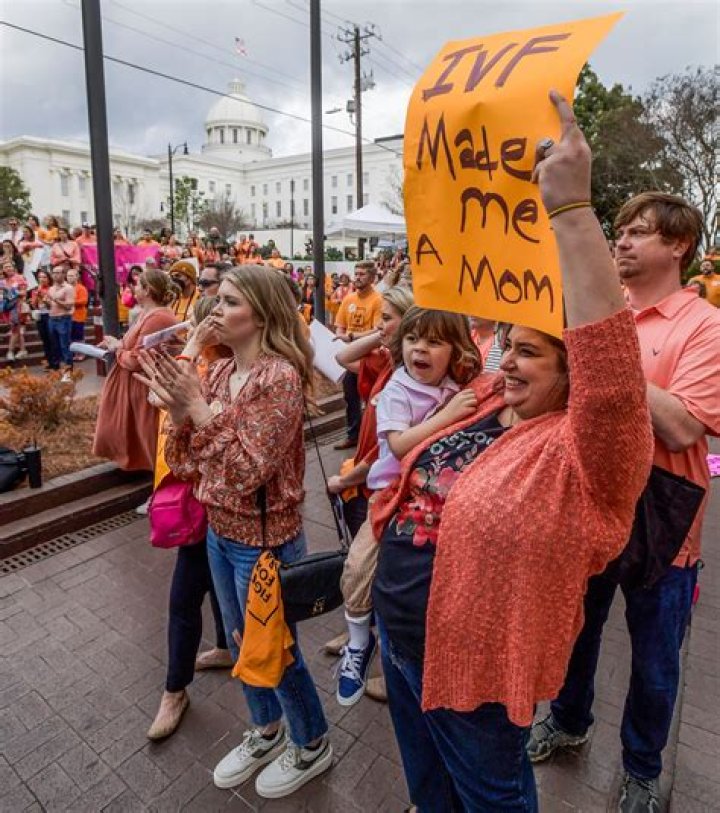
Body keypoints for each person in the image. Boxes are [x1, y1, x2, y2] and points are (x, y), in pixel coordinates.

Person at [369, 90, 654, 811]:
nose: (507, 360)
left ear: (572, 371)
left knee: (491, 797)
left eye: (531, 351)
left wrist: (570, 210)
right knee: (431, 794)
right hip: (402, 645)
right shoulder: (496, 399)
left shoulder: (589, 452)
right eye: (507, 344)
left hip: (475, 668)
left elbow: (613, 372)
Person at [528, 192, 720, 812]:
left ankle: (641, 769)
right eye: (620, 231)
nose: (623, 241)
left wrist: (604, 359)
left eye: (640, 232)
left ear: (679, 245)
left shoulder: (706, 327)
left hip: (662, 524)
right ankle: (567, 719)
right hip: (586, 504)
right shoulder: (590, 311)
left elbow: (685, 428)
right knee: (575, 632)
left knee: (656, 663)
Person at [138, 265, 333, 800]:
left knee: (277, 647)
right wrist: (187, 414)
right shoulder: (221, 373)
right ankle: (267, 729)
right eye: (214, 299)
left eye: (228, 302)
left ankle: (313, 741)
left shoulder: (280, 377)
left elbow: (248, 471)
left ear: (262, 313)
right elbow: (182, 462)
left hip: (265, 538)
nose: (214, 310)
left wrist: (199, 413)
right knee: (244, 641)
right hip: (219, 532)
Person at [145, 296, 234, 741]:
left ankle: (187, 678)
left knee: (191, 593)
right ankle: (178, 686)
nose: (215, 321)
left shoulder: (242, 368)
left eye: (228, 307)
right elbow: (157, 396)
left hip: (225, 499)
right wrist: (194, 345)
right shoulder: (197, 362)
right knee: (191, 591)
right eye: (206, 316)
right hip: (191, 493)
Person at [92, 269, 178, 471]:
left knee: (145, 432)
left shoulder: (159, 318)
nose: (134, 288)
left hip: (141, 384)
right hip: (131, 384)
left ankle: (155, 476)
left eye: (138, 285)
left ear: (148, 290)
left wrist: (118, 349)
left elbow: (136, 359)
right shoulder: (146, 314)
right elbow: (131, 345)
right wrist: (117, 343)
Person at [333, 262, 384, 450]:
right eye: (356, 273)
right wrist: (341, 336)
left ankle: (374, 438)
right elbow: (340, 325)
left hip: (370, 359)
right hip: (350, 356)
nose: (358, 277)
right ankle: (353, 435)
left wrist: (352, 337)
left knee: (373, 399)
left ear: (372, 278)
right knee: (350, 397)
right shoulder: (349, 299)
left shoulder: (379, 300)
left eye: (362, 274)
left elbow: (377, 331)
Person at [1, 259, 29, 361]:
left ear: (13, 267)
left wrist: (12, 292)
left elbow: (24, 293)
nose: (8, 268)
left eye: (9, 266)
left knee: (15, 329)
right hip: (8, 308)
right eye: (5, 267)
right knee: (17, 330)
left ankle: (10, 351)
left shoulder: (19, 278)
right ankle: (23, 350)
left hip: (19, 307)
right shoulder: (3, 281)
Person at [30, 269, 53, 367]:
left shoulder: (52, 289)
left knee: (51, 338)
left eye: (44, 277)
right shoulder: (35, 290)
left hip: (51, 315)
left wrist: (43, 295)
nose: (42, 279)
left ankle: (55, 361)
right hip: (40, 315)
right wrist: (36, 295)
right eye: (40, 277)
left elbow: (51, 305)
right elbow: (34, 306)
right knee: (44, 339)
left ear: (48, 278)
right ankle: (48, 360)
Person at [65, 268, 89, 358]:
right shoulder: (65, 288)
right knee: (71, 336)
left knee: (79, 336)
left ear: (77, 277)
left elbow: (83, 301)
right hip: (67, 316)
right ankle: (74, 353)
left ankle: (81, 353)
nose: (69, 278)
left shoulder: (81, 288)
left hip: (78, 316)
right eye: (68, 276)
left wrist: (70, 302)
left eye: (72, 275)